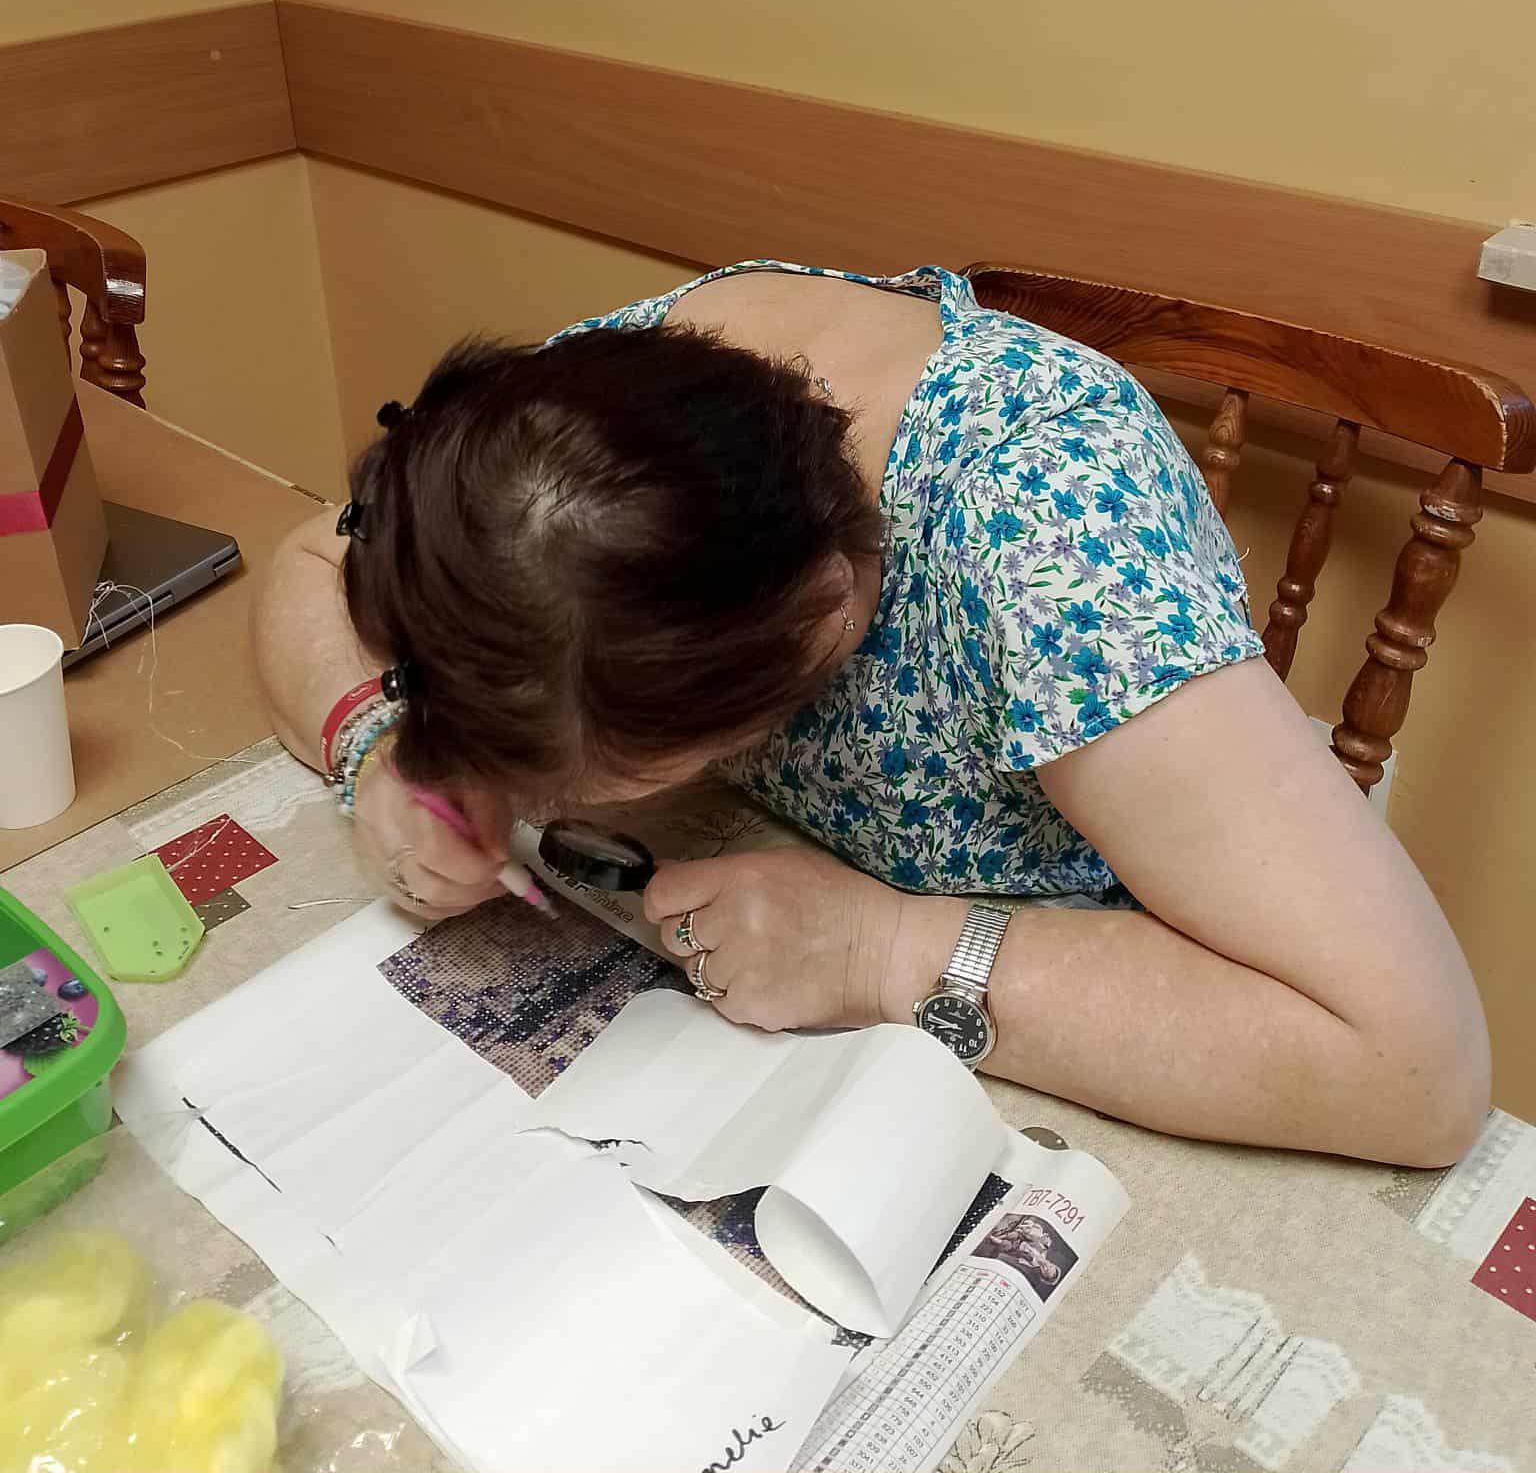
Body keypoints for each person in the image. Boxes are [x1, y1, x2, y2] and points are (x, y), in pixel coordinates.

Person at [253, 261, 1489, 1166]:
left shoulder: (1049, 536)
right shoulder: (593, 424)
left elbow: (1417, 1073)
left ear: (827, 619)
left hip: (1125, 1016)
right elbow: (313, 560)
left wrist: (883, 952)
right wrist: (384, 747)